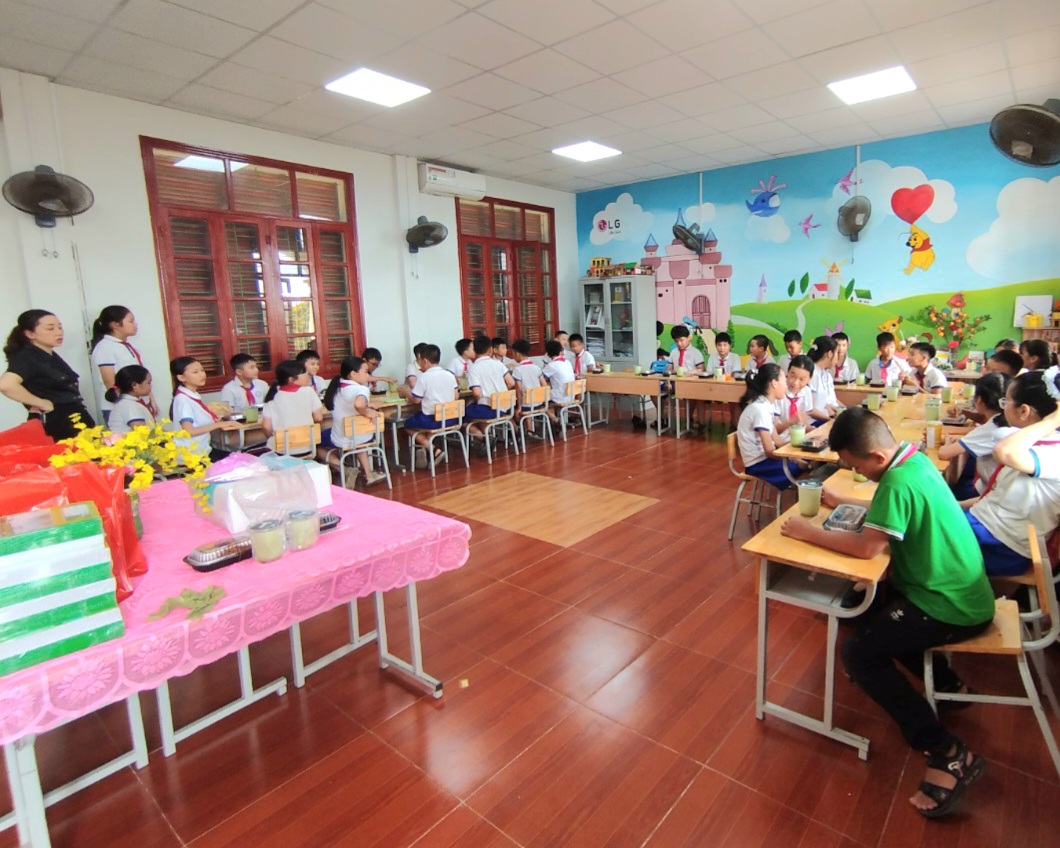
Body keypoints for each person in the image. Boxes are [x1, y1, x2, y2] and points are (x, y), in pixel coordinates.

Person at [780, 407, 994, 819]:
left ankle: (947, 752)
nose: (853, 471)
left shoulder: (895, 481)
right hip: (960, 590)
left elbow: (867, 547)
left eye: (855, 466)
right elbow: (889, 505)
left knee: (859, 653)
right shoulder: (912, 459)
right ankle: (948, 684)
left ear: (877, 457)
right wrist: (845, 499)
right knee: (862, 607)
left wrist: (809, 532)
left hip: (949, 605)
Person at [962, 368, 1060, 576]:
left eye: (1006, 401)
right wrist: (951, 506)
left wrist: (1053, 420)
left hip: (1001, 546)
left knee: (914, 538)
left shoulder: (1053, 454)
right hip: (984, 528)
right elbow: (995, 497)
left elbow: (1003, 452)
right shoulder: (1027, 444)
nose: (1002, 406)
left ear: (1023, 411)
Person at [1, 310, 95, 441]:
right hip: (59, 422)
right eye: (50, 328)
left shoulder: (47, 354)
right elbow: (6, 384)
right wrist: (40, 403)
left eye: (60, 327)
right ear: (30, 334)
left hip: (74, 418)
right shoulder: (27, 356)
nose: (59, 332)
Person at [939, 372, 1013, 500]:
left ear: (979, 400)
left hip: (986, 493)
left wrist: (947, 441)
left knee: (944, 489)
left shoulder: (989, 430)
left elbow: (944, 453)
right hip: (998, 488)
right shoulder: (1008, 422)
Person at [320, 355, 386, 487]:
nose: (368, 375)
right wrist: (367, 411)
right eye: (365, 371)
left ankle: (343, 469)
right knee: (357, 440)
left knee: (315, 442)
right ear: (353, 374)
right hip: (363, 437)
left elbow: (355, 404)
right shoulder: (362, 389)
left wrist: (366, 407)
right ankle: (368, 475)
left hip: (342, 438)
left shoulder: (337, 388)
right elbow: (358, 404)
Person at [170, 356, 240, 461]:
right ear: (181, 377)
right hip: (192, 457)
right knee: (237, 460)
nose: (202, 374)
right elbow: (189, 431)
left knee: (238, 458)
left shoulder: (193, 395)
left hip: (202, 450)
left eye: (202, 370)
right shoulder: (183, 399)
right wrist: (219, 425)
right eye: (195, 372)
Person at [735, 363, 793, 489]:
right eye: (784, 380)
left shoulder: (766, 405)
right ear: (774, 383)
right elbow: (769, 451)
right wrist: (790, 457)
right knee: (804, 467)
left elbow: (777, 441)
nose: (787, 385)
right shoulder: (760, 409)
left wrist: (796, 451)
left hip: (764, 461)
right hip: (758, 465)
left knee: (805, 463)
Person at [89, 305, 149, 424]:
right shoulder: (105, 347)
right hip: (120, 406)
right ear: (115, 325)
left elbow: (140, 376)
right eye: (131, 321)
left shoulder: (123, 345)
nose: (135, 324)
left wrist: (149, 398)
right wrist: (127, 403)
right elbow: (110, 382)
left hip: (135, 402)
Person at [404, 343, 460, 463]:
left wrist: (406, 393)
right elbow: (456, 396)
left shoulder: (424, 377)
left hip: (432, 419)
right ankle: (427, 450)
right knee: (424, 425)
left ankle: (433, 449)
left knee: (408, 425)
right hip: (451, 418)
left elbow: (416, 400)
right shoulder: (449, 375)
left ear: (424, 360)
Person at [261, 359, 324, 456]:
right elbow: (318, 418)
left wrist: (275, 438)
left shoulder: (271, 397)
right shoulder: (309, 391)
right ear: (292, 379)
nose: (308, 376)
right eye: (304, 374)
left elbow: (266, 427)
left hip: (282, 452)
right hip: (307, 448)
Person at [464, 336, 515, 448]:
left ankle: (484, 438)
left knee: (461, 415)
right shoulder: (499, 364)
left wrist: (475, 401)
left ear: (475, 351)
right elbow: (511, 382)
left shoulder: (474, 368)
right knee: (477, 410)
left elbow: (476, 393)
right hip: (505, 407)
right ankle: (488, 438)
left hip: (490, 409)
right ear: (490, 349)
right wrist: (501, 395)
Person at [106, 365, 157, 435]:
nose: (151, 386)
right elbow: (142, 435)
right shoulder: (130, 406)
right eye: (148, 383)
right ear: (134, 385)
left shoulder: (127, 403)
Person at [774, 355, 814, 441]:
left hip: (799, 438)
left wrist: (817, 433)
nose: (795, 382)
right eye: (792, 376)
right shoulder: (779, 393)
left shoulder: (807, 392)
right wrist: (791, 422)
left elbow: (805, 424)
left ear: (810, 379)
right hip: (780, 440)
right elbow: (773, 430)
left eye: (802, 379)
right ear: (787, 372)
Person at [542, 339, 575, 426]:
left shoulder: (552, 365)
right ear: (561, 351)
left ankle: (556, 420)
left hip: (560, 397)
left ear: (548, 355)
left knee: (540, 403)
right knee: (548, 397)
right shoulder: (567, 362)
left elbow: (541, 379)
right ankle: (555, 422)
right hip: (571, 395)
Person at [807, 335, 840, 421]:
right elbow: (810, 409)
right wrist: (831, 419)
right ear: (830, 354)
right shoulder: (812, 374)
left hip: (825, 418)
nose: (838, 358)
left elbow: (825, 402)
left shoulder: (826, 374)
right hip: (814, 422)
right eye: (837, 353)